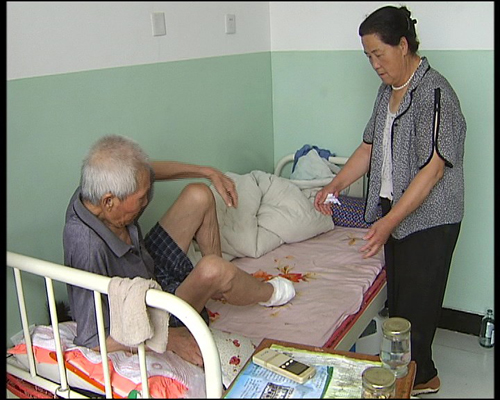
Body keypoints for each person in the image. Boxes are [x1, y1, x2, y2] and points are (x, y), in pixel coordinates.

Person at [314, 5, 465, 396]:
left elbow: (433, 171)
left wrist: (389, 221)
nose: (375, 65)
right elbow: (369, 147)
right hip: (394, 211)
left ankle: (422, 377)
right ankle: (408, 373)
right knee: (399, 304)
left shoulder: (435, 93)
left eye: (379, 54)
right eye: (368, 57)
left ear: (403, 45)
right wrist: (334, 185)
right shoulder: (387, 94)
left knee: (418, 305)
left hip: (431, 217)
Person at [63, 134, 295, 367]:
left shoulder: (94, 190)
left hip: (147, 267)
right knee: (213, 269)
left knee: (199, 194)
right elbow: (93, 340)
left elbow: (147, 171)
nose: (146, 202)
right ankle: (269, 293)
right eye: (141, 198)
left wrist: (207, 172)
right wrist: (169, 339)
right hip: (146, 308)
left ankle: (216, 288)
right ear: (109, 201)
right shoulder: (86, 246)